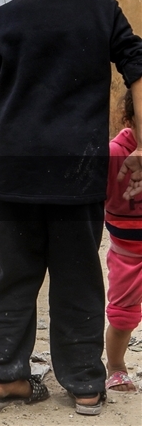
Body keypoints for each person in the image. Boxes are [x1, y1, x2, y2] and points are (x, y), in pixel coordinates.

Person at [0, 0, 142, 416]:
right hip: (79, 174)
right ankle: (87, 384)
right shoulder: (103, 12)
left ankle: (4, 376)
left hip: (16, 174)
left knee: (16, 274)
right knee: (78, 277)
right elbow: (137, 68)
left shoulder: (7, 20)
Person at [104, 89, 142, 393]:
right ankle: (116, 366)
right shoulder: (114, 154)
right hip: (129, 254)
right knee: (123, 315)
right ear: (129, 119)